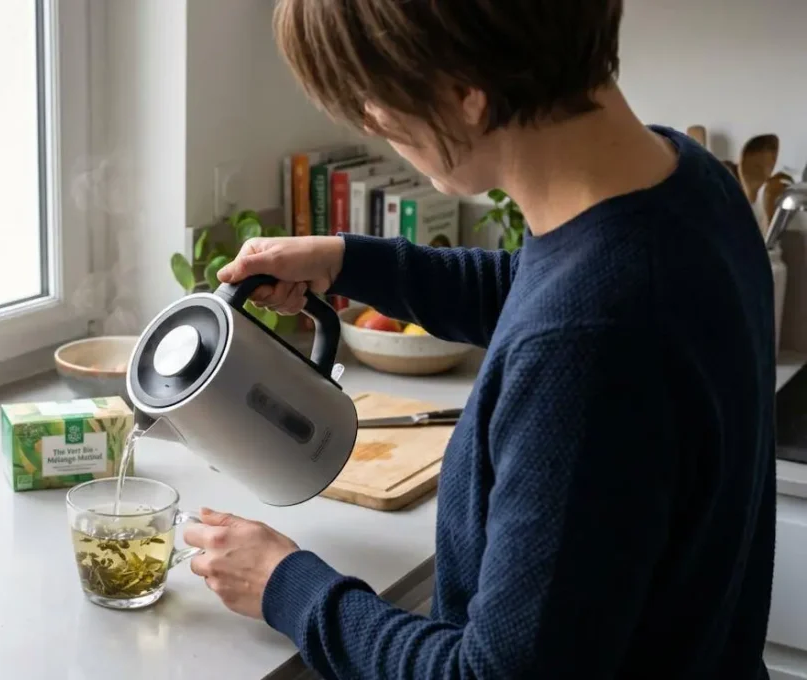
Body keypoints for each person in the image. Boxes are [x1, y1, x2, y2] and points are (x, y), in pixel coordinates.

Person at [179, 1, 777, 678]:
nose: (371, 123)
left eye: (374, 100)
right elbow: (540, 286)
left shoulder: (588, 343)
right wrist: (350, 259)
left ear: (465, 95)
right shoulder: (688, 183)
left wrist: (287, 585)